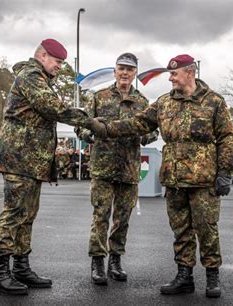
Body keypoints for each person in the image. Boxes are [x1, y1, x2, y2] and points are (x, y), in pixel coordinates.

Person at [92, 54, 233, 297]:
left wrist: (225, 173)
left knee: (207, 228)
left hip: (204, 180)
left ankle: (212, 277)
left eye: (174, 74)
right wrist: (106, 128)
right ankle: (184, 276)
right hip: (174, 179)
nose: (170, 78)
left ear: (190, 73)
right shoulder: (164, 103)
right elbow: (137, 124)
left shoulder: (214, 102)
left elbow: (227, 138)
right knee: (181, 230)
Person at [0, 38, 103, 295]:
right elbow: (53, 108)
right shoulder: (31, 76)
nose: (60, 67)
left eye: (63, 63)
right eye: (57, 61)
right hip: (19, 159)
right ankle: (1, 273)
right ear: (42, 55)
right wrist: (91, 122)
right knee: (14, 215)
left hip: (30, 161)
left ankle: (21, 267)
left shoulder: (40, 78)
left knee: (27, 216)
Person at [76, 52, 159, 285]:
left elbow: (152, 130)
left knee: (123, 218)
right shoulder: (98, 97)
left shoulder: (142, 102)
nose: (124, 73)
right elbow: (81, 126)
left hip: (129, 169)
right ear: (114, 71)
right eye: (121, 68)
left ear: (134, 74)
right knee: (100, 216)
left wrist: (146, 135)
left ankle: (115, 260)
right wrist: (90, 134)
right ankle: (97, 263)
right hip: (103, 167)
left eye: (129, 70)